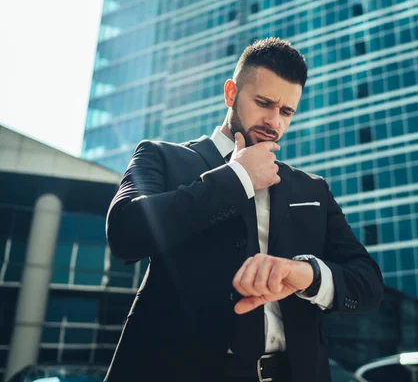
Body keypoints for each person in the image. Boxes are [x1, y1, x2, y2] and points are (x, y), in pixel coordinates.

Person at [104, 37, 384, 382]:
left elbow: (368, 283)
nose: (274, 122)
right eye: (263, 103)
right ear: (231, 93)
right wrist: (237, 178)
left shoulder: (312, 188)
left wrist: (305, 274)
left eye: (286, 111)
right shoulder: (161, 157)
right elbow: (125, 234)